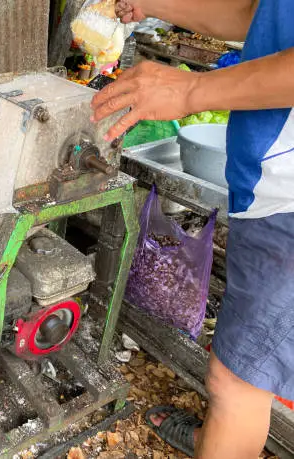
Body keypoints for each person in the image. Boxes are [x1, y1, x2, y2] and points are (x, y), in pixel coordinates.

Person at [91, 1, 294, 458]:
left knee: (238, 381)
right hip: (268, 193)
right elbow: (260, 17)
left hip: (289, 203)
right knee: (244, 369)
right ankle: (212, 438)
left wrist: (193, 91)